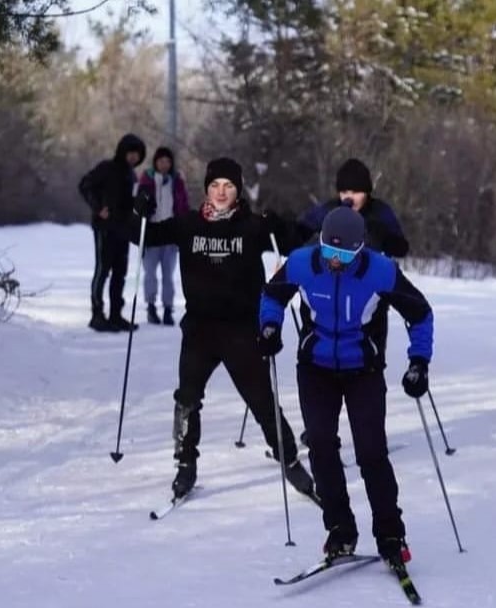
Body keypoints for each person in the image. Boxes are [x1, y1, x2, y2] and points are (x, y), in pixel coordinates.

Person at [259, 207, 434, 566]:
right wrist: (269, 327)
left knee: (372, 453)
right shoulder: (302, 263)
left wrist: (419, 362)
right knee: (321, 447)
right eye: (329, 251)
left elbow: (420, 314)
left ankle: (390, 533)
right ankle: (340, 529)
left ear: (360, 249)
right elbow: (272, 296)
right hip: (315, 369)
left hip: (363, 371)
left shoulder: (380, 271)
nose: (335, 261)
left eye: (344, 255)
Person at [132, 157, 314, 500]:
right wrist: (137, 211)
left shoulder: (253, 226)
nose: (221, 192)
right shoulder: (187, 225)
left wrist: (283, 224)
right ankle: (185, 465)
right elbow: (142, 237)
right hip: (200, 330)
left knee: (262, 400)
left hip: (243, 330)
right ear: (206, 189)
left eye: (228, 186)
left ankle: (289, 460)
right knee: (187, 399)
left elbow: (294, 244)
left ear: (238, 190)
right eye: (215, 186)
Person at [294, 158, 411, 448]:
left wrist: (383, 236)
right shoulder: (330, 210)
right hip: (326, 292)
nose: (349, 197)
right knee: (316, 361)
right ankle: (319, 430)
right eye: (344, 190)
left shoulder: (380, 212)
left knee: (370, 362)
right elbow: (298, 231)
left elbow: (401, 246)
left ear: (367, 192)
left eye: (356, 191)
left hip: (368, 296)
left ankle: (371, 429)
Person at [78, 133, 146, 332]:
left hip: (123, 229)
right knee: (102, 270)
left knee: (120, 273)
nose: (133, 157)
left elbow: (131, 201)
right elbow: (84, 185)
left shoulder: (132, 175)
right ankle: (97, 314)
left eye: (137, 154)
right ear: (123, 152)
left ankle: (116, 314)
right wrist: (98, 207)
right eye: (130, 153)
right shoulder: (107, 168)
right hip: (105, 228)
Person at [137, 146, 189, 326]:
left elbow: (183, 206)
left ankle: (168, 309)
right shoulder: (147, 180)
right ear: (155, 162)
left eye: (167, 161)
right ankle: (151, 307)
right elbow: (138, 205)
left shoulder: (177, 181)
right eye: (161, 161)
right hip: (152, 233)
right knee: (150, 273)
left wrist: (184, 226)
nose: (164, 164)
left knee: (168, 275)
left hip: (171, 233)